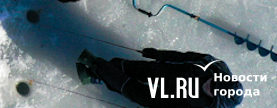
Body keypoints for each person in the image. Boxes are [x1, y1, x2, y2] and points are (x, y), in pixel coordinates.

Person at [76, 48, 242, 107]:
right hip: (168, 72)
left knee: (133, 90)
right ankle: (100, 73)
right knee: (130, 67)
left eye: (213, 90)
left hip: (167, 98)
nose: (209, 85)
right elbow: (183, 57)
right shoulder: (214, 65)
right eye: (214, 82)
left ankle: (95, 68)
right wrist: (159, 54)